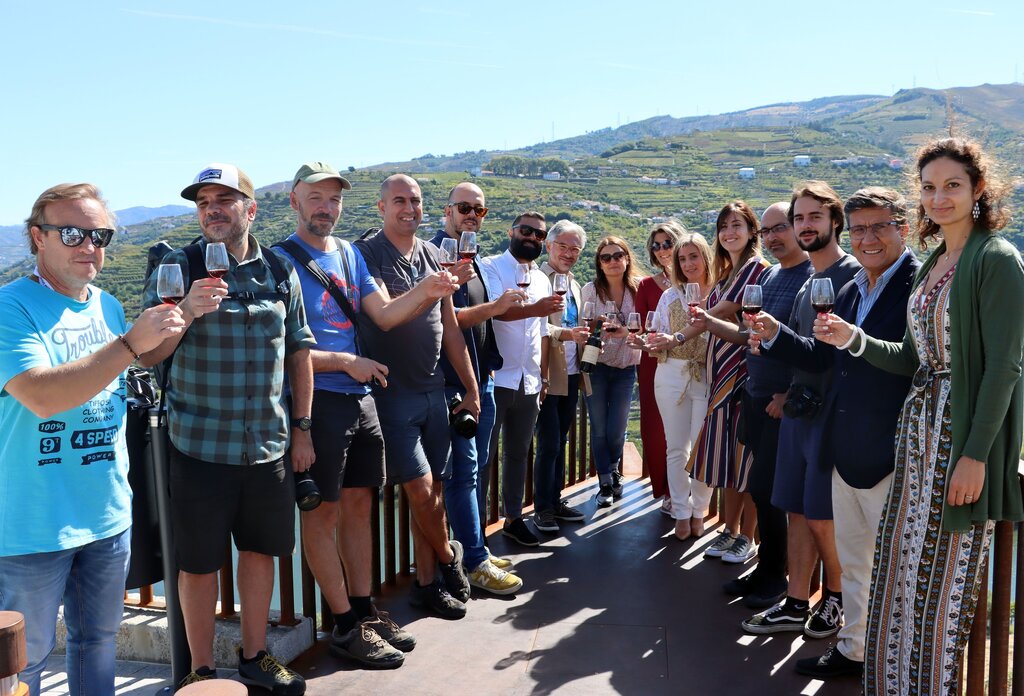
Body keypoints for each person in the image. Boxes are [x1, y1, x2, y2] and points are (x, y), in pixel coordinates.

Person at [817, 138, 1024, 694]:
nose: (940, 197)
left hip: (958, 442)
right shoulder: (936, 261)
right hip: (916, 439)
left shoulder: (997, 259)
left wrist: (976, 456)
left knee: (941, 590)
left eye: (952, 185)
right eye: (929, 187)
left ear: (979, 190)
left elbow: (1004, 368)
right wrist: (854, 339)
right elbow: (915, 357)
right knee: (901, 578)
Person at [0, 184, 184, 695]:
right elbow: (39, 395)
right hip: (32, 523)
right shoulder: (10, 307)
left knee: (96, 643)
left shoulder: (105, 305)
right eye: (73, 233)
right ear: (38, 237)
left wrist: (179, 318)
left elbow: (132, 364)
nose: (90, 246)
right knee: (24, 660)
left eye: (100, 235)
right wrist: (129, 343)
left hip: (105, 513)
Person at [277, 162, 459, 668]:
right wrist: (343, 362)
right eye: (316, 197)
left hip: (362, 400)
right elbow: (279, 352)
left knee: (360, 507)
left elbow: (381, 313)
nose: (326, 207)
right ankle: (343, 626)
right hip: (320, 400)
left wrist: (429, 290)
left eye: (333, 199)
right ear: (295, 200)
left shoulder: (350, 255)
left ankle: (363, 611)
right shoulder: (280, 262)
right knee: (323, 515)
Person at [141, 164, 313, 694]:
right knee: (197, 564)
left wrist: (303, 427)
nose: (212, 209)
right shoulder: (178, 265)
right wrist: (186, 312)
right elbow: (148, 353)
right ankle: (200, 668)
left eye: (224, 199)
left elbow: (299, 352)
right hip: (197, 445)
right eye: (203, 202)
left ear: (250, 209)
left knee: (260, 552)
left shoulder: (280, 271)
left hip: (267, 443)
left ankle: (256, 656)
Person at [751, 188, 919, 678]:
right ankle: (854, 650)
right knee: (856, 559)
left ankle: (897, 665)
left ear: (903, 229)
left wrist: (855, 341)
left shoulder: (916, 283)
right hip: (844, 445)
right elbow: (826, 357)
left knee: (895, 568)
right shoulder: (852, 289)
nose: (868, 238)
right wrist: (777, 335)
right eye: (861, 228)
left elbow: (913, 361)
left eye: (880, 227)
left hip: (890, 449)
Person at [354, 174, 479, 619]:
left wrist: (469, 387)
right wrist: (429, 288)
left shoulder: (433, 254)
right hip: (391, 394)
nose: (409, 208)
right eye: (400, 200)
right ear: (381, 206)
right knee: (421, 489)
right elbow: (386, 317)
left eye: (417, 201)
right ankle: (450, 559)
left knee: (435, 491)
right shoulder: (364, 255)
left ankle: (428, 585)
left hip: (434, 390)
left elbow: (449, 331)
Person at [739, 181, 859, 642]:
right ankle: (795, 601)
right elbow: (803, 351)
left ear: (834, 221)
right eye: (800, 218)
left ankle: (833, 599)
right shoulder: (809, 280)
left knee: (822, 515)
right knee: (795, 509)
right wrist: (768, 341)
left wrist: (777, 341)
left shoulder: (849, 275)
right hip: (798, 412)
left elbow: (831, 357)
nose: (805, 226)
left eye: (814, 217)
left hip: (825, 417)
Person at [700, 203, 811, 609]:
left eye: (781, 228)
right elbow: (751, 333)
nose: (773, 237)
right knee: (763, 491)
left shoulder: (810, 276)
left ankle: (778, 581)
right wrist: (710, 324)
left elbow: (812, 345)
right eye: (767, 232)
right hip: (757, 395)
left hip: (782, 404)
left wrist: (790, 393)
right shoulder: (774, 275)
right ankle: (766, 570)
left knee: (775, 493)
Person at [429, 182, 524, 594]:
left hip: (481, 379)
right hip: (453, 384)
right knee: (463, 472)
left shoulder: (476, 260)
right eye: (464, 207)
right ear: (447, 211)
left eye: (479, 210)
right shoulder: (435, 257)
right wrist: (496, 308)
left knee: (477, 465)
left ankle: (472, 547)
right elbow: (448, 320)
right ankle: (474, 560)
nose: (471, 214)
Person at [688, 201, 767, 564]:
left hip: (744, 378)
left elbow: (745, 330)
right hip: (722, 375)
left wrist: (679, 336)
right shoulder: (727, 274)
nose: (729, 232)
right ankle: (730, 530)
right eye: (723, 226)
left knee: (746, 461)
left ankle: (747, 537)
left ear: (753, 231)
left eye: (737, 225)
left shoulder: (756, 271)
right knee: (728, 461)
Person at [479, 212, 564, 545]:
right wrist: (536, 308)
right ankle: (479, 528)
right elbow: (496, 310)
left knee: (518, 454)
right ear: (511, 231)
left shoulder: (542, 279)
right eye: (526, 231)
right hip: (496, 378)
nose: (532, 238)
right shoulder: (489, 267)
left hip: (528, 382)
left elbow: (543, 333)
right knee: (483, 458)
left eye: (539, 235)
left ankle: (513, 518)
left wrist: (543, 378)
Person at [640, 232, 715, 540]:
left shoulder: (721, 293)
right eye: (681, 259)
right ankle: (682, 513)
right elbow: (656, 340)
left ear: (706, 257)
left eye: (693, 256)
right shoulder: (670, 296)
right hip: (672, 374)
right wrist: (644, 343)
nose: (687, 264)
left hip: (708, 376)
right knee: (676, 449)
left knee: (703, 449)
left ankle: (700, 511)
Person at [533, 220, 591, 534]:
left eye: (575, 249)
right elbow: (537, 327)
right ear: (549, 246)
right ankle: (542, 508)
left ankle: (554, 502)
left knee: (561, 440)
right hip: (547, 375)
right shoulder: (538, 278)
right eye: (563, 246)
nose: (569, 253)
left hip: (570, 374)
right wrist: (568, 333)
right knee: (549, 443)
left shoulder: (574, 283)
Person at [580, 236, 643, 507]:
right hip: (597, 366)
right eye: (606, 258)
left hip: (626, 367)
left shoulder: (640, 290)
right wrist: (596, 325)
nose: (612, 261)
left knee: (617, 429)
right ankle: (605, 481)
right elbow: (584, 326)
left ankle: (614, 469)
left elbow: (648, 326)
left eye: (617, 255)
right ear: (599, 264)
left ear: (627, 258)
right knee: (599, 426)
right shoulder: (590, 290)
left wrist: (626, 331)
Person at [634, 220, 686, 514]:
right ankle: (667, 491)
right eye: (657, 245)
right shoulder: (646, 285)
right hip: (654, 364)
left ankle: (688, 490)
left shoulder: (698, 279)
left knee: (688, 431)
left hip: (691, 364)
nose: (662, 250)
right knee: (656, 431)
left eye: (668, 243)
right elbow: (641, 328)